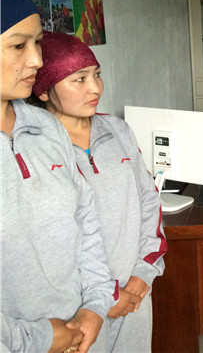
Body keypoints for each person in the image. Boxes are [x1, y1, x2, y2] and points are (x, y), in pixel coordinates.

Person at [30, 30, 167, 352]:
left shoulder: (117, 130)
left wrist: (143, 274)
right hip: (76, 306)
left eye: (97, 74)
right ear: (44, 91)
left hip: (134, 291)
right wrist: (106, 294)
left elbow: (149, 201)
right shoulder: (36, 147)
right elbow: (46, 240)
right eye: (79, 79)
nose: (95, 88)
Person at [1, 0, 116, 353]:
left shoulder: (46, 128)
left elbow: (86, 223)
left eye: (36, 43)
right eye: (19, 45)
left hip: (80, 335)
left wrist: (95, 305)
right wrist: (42, 339)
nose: (37, 60)